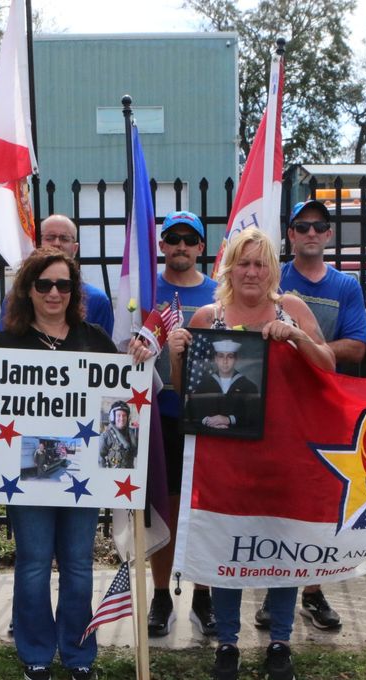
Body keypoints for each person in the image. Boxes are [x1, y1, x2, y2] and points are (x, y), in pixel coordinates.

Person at [170, 226, 335, 680]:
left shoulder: (293, 309)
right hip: (226, 459)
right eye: (243, 262)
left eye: (260, 263)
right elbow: (188, 395)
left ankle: (280, 643)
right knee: (228, 548)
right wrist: (177, 355)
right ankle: (227, 642)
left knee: (281, 550)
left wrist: (298, 338)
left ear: (272, 270)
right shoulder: (208, 317)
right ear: (229, 268)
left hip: (284, 453)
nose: (251, 271)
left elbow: (330, 366)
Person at [0, 247, 139, 680]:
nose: (54, 292)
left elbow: (118, 404)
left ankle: (78, 651)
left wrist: (135, 363)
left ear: (74, 291)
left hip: (81, 476)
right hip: (28, 475)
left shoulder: (93, 338)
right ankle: (36, 651)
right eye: (44, 284)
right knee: (34, 564)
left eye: (63, 284)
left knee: (78, 565)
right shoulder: (7, 343)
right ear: (28, 290)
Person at [266, 198, 366, 634]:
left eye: (318, 227)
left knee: (318, 501)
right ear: (290, 234)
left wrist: (305, 345)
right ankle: (273, 592)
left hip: (324, 404)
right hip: (277, 404)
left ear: (328, 235)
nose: (310, 233)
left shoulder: (346, 286)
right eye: (301, 226)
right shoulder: (273, 278)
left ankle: (311, 592)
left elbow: (357, 346)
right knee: (275, 499)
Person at [149, 210, 217, 638]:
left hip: (209, 419)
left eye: (189, 240)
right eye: (172, 238)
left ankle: (205, 596)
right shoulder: (143, 288)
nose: (180, 246)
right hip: (158, 415)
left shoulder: (218, 292)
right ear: (161, 245)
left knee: (205, 509)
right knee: (162, 507)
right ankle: (160, 596)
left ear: (200, 248)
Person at [0, 215, 114, 333]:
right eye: (50, 237)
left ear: (75, 248)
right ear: (37, 244)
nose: (57, 243)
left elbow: (103, 349)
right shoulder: (16, 297)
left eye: (64, 238)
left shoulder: (98, 300)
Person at [184, 339, 261, 432]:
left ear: (236, 359)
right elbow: (191, 411)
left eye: (230, 356)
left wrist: (228, 420)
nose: (225, 361)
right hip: (208, 437)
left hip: (237, 437)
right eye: (221, 356)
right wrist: (208, 421)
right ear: (216, 359)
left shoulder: (248, 386)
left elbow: (255, 416)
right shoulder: (204, 385)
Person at [99, 401, 137, 468]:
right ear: (113, 417)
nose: (122, 419)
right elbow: (100, 460)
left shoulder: (132, 435)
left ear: (128, 418)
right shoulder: (105, 436)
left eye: (124, 415)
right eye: (118, 415)